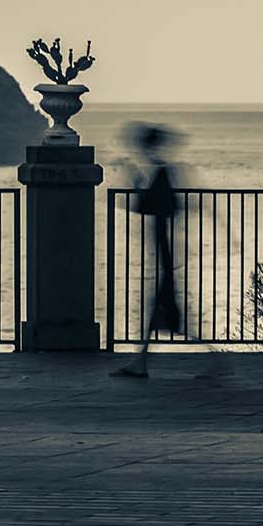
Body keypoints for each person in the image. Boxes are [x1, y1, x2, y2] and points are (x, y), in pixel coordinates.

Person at [112, 123, 181, 378]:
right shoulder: (161, 170)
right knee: (163, 315)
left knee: (167, 314)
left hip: (165, 252)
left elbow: (150, 206)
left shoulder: (162, 171)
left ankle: (217, 363)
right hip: (164, 251)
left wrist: (133, 178)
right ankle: (139, 363)